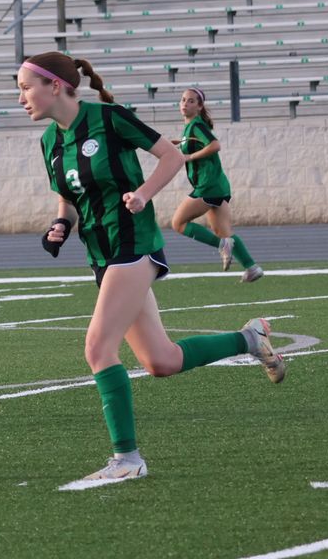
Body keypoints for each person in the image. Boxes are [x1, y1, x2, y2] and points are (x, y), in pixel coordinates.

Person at [19, 52, 285, 481]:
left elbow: (170, 157)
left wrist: (143, 194)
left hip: (134, 244)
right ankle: (249, 339)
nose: (21, 98)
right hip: (101, 255)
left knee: (97, 348)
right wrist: (60, 224)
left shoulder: (109, 118)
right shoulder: (49, 141)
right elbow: (67, 197)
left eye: (25, 87)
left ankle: (127, 458)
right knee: (162, 360)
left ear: (55, 86)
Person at [170, 88, 263, 282]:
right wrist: (181, 144)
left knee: (178, 223)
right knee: (223, 232)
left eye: (191, 101)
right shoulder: (191, 128)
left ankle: (223, 246)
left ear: (200, 106)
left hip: (208, 185)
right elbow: (199, 143)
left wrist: (189, 156)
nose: (185, 104)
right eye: (183, 100)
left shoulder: (196, 125)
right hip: (218, 185)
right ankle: (252, 268)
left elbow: (214, 145)